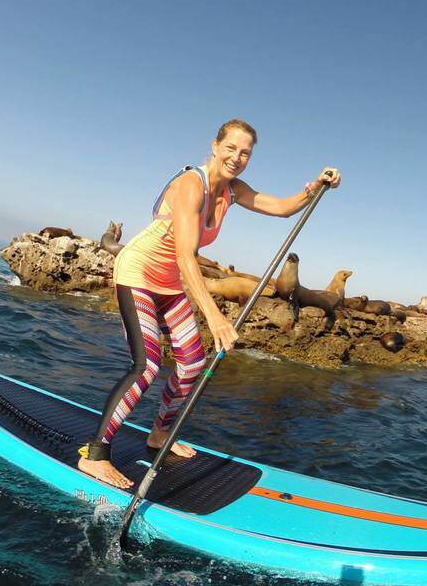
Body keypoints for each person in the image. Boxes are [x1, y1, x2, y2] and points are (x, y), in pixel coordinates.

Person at [78, 118, 341, 488]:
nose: (237, 157)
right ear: (215, 146)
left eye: (245, 152)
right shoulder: (191, 185)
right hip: (137, 272)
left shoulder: (232, 190)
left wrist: (316, 186)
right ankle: (96, 454)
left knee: (192, 362)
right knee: (147, 366)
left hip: (168, 283)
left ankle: (158, 436)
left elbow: (281, 208)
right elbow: (187, 257)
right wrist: (215, 317)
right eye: (231, 148)